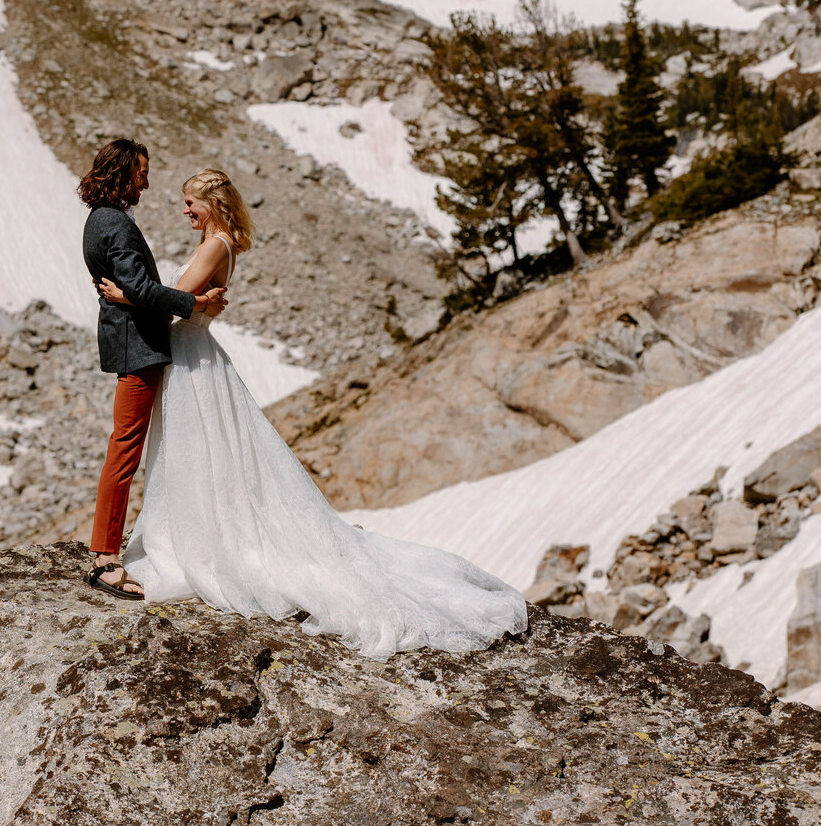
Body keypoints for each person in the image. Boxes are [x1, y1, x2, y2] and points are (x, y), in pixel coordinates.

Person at [98, 167, 528, 658]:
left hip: (192, 360)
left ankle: (207, 543)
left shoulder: (215, 245)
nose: (184, 210)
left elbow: (175, 306)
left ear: (211, 203)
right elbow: (194, 300)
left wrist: (128, 295)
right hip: (191, 356)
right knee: (201, 456)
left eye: (190, 202)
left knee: (200, 453)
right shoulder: (219, 242)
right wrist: (195, 300)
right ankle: (201, 531)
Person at [79, 138, 227, 600]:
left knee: (130, 446)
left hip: (134, 342)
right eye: (142, 172)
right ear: (124, 173)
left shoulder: (98, 219)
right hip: (138, 348)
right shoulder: (116, 224)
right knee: (125, 449)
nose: (146, 181)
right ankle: (105, 559)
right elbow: (138, 286)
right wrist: (194, 301)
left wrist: (133, 294)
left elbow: (132, 289)